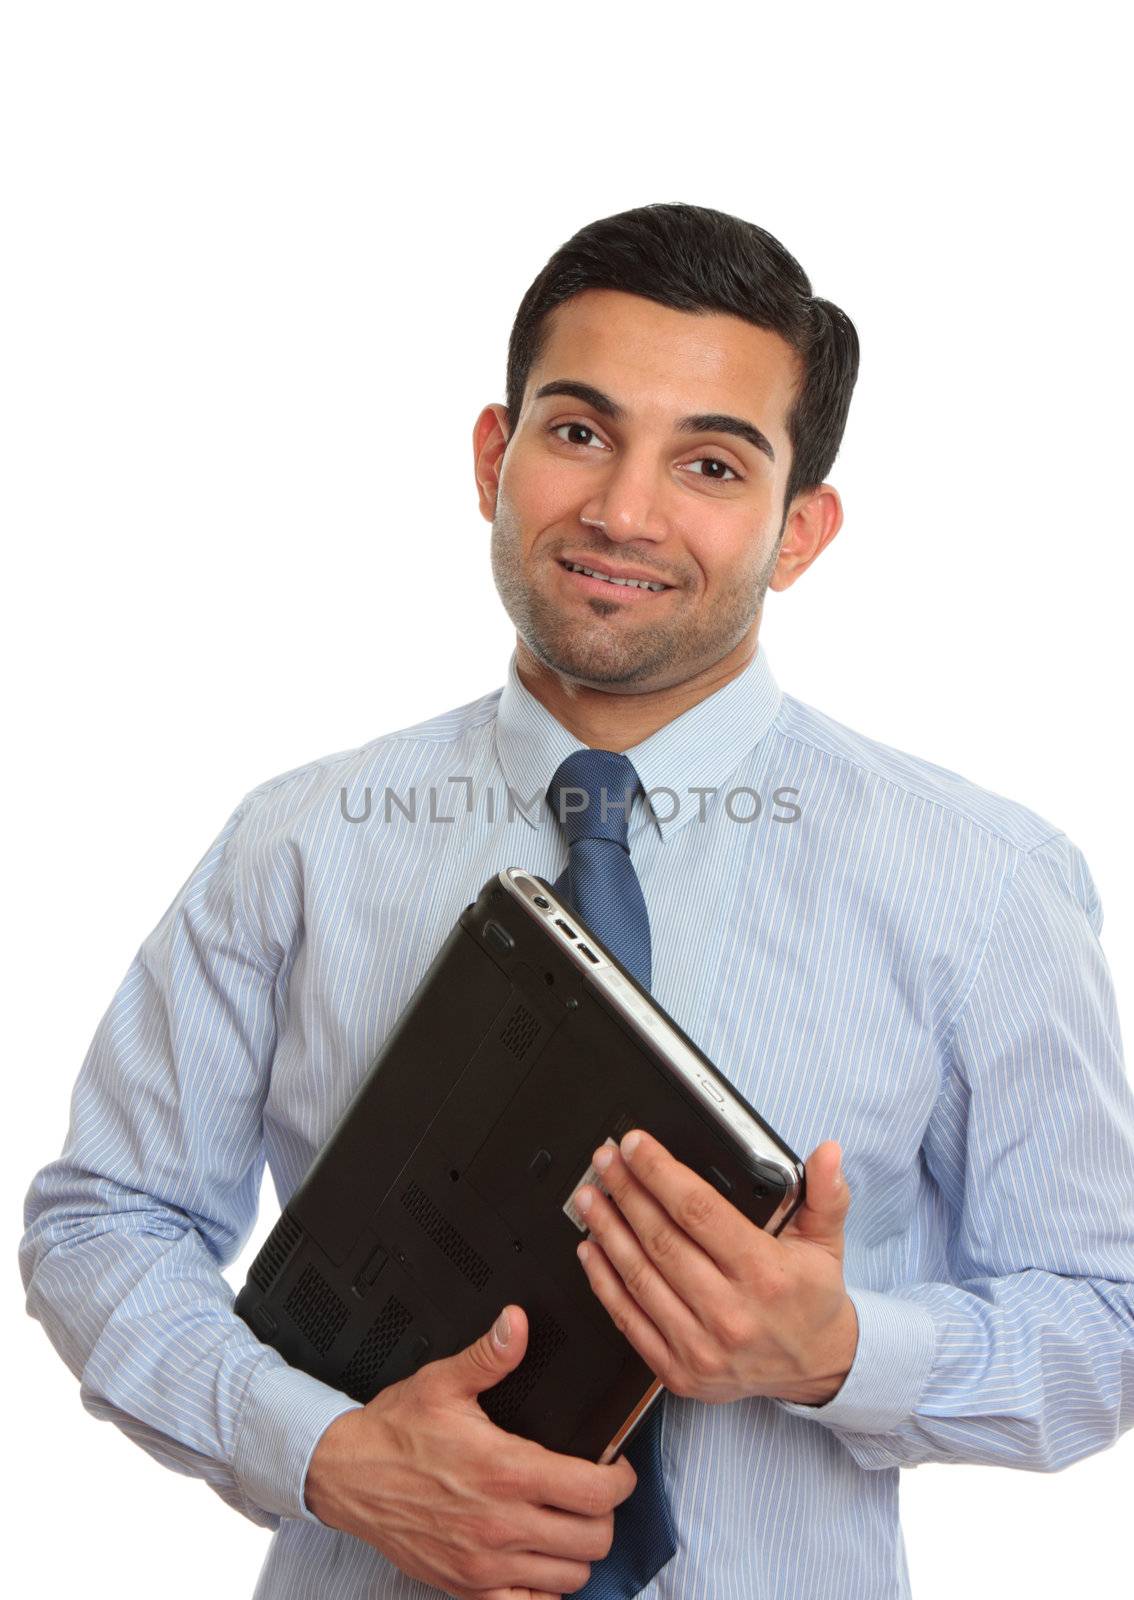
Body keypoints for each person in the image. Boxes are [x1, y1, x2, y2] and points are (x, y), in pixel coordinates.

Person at [20, 201, 1134, 1600]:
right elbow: (104, 1221)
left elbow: (1105, 1319)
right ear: (494, 456)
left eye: (711, 463)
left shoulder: (982, 885)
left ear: (800, 532)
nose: (621, 509)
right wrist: (326, 1456)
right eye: (576, 432)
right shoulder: (298, 843)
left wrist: (840, 1350)